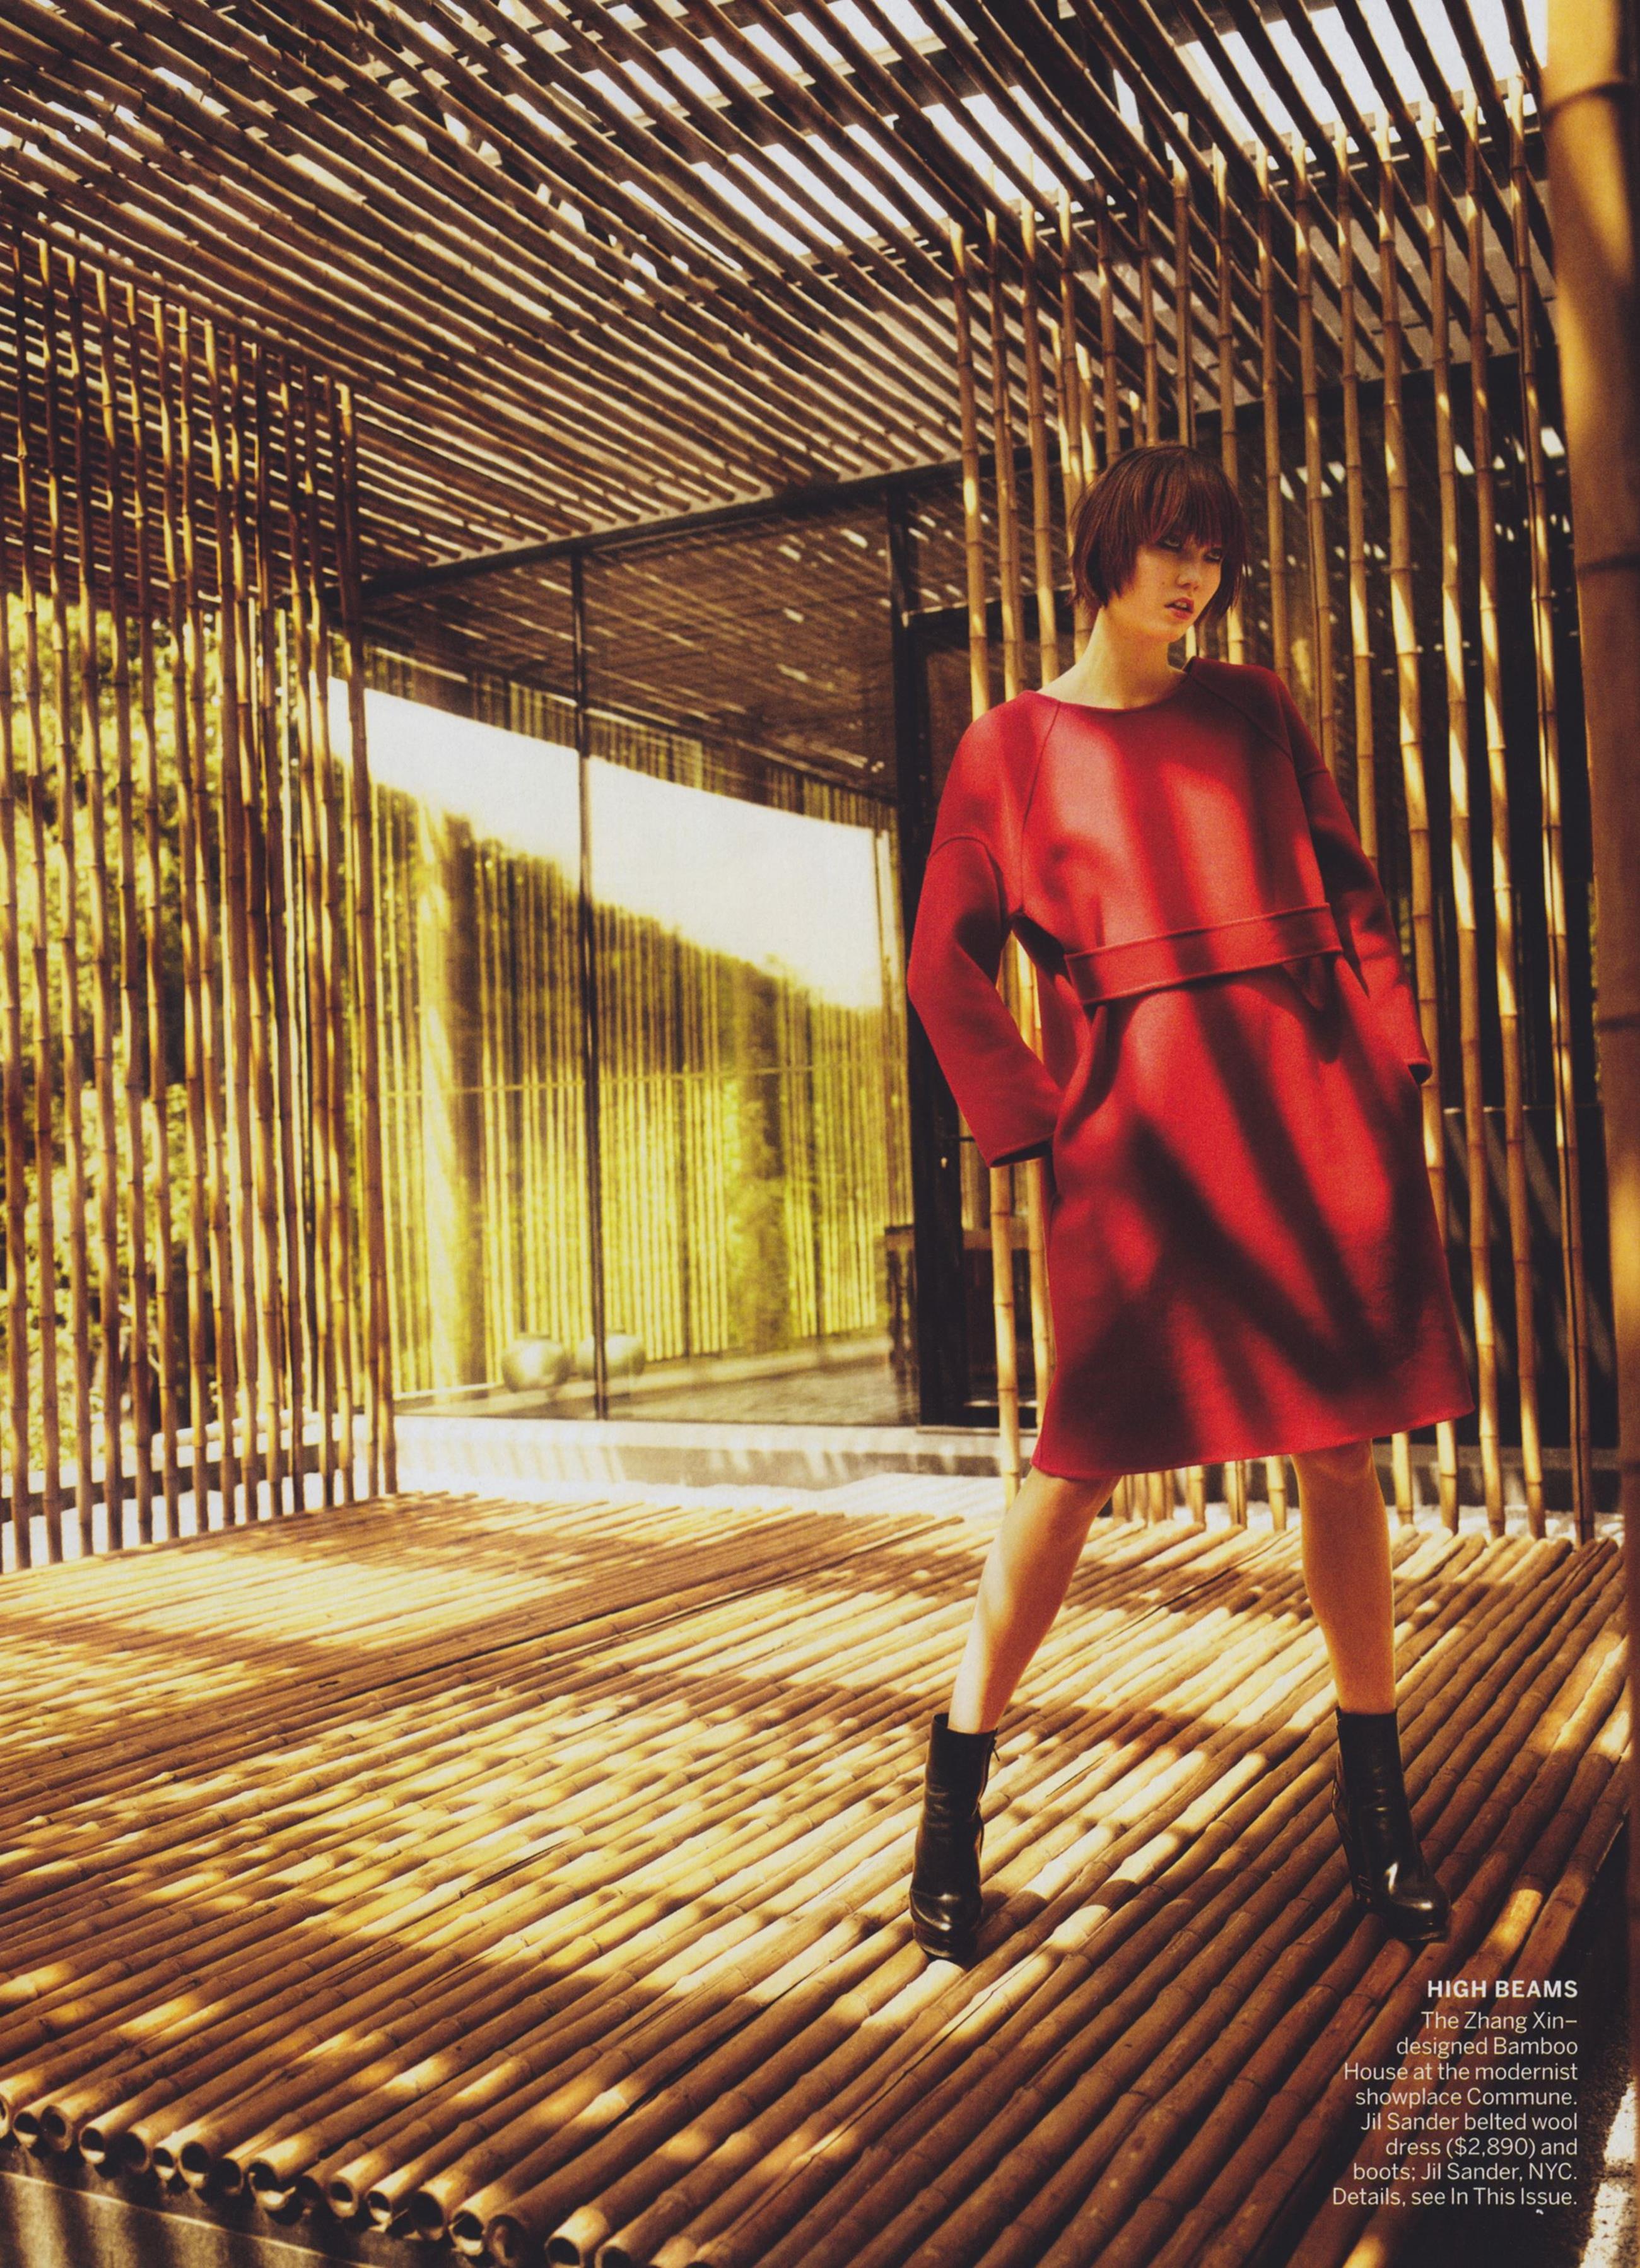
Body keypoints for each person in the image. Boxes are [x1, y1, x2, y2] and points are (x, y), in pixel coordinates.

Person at [903, 443, 1475, 1967]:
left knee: (1338, 1451)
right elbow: (941, 963)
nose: (1194, 575)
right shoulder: (1010, 746)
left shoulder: (1254, 709)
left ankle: (1377, 1809)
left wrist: (1390, 1057)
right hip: (1140, 1144)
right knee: (1074, 1466)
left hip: (1310, 1109)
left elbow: (1351, 892)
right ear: (1105, 550)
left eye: (1212, 551)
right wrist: (1039, 1125)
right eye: (1169, 544)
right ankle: (955, 1791)